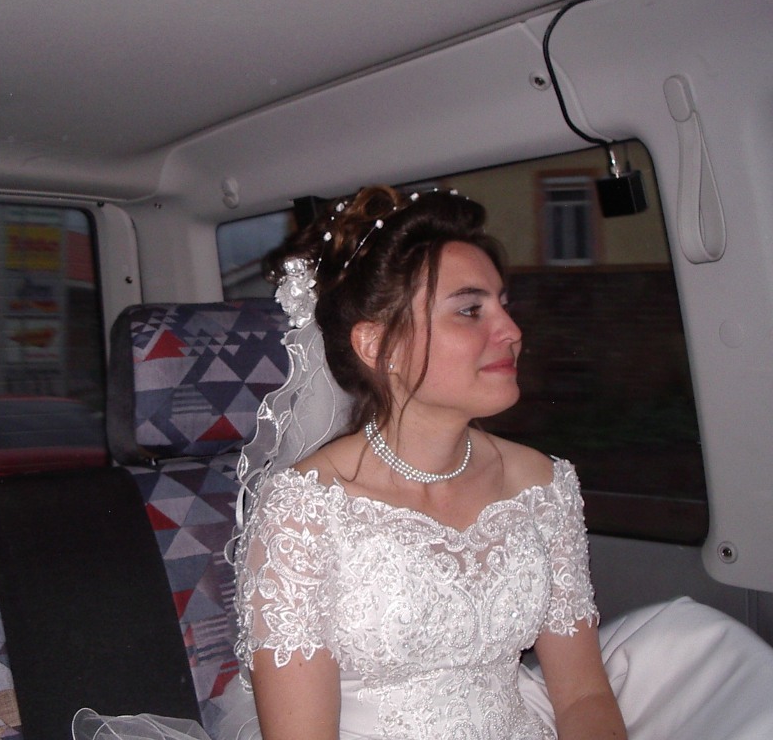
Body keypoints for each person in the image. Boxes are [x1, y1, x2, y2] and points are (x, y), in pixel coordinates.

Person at [218, 185, 773, 740]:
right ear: (379, 347)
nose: (511, 331)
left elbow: (582, 695)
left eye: (504, 305)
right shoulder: (303, 509)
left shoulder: (542, 483)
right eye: (469, 310)